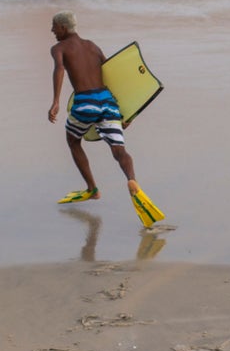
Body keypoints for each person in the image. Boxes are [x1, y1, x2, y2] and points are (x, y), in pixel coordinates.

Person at [48, 12, 157, 222]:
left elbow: (59, 69)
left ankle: (92, 189)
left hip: (85, 102)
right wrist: (127, 112)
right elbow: (112, 74)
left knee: (73, 140)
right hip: (108, 102)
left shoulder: (59, 48)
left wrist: (55, 102)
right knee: (119, 151)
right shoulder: (93, 46)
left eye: (54, 26)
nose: (52, 31)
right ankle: (132, 181)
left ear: (63, 27)